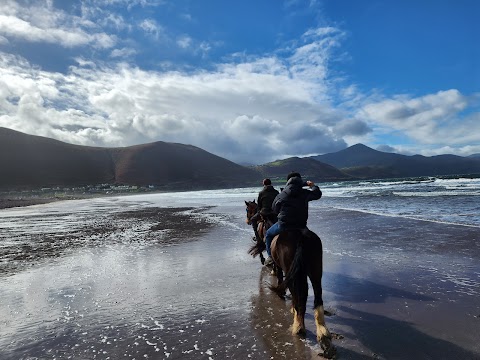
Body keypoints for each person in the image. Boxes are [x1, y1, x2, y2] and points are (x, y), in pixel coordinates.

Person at [264, 172, 322, 266]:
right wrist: (312, 185)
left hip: (284, 225)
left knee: (268, 234)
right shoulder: (305, 193)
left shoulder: (282, 194)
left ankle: (270, 257)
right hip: (301, 225)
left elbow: (275, 209)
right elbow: (317, 195)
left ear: (287, 181)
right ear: (301, 181)